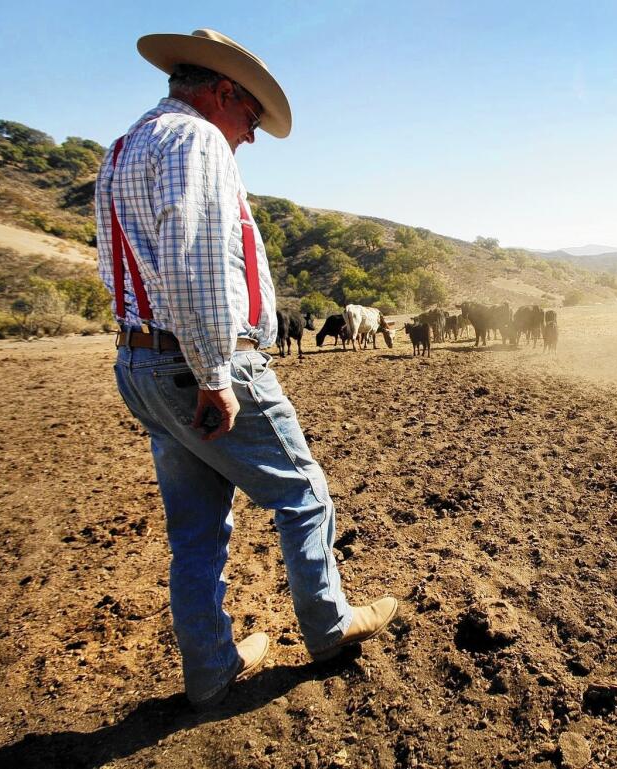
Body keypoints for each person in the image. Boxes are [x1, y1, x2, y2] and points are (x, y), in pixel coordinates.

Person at [96, 28, 397, 709]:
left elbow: (124, 267)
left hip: (141, 362)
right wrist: (213, 375)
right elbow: (198, 262)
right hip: (199, 361)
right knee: (304, 492)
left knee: (196, 529)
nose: (252, 136)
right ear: (222, 92)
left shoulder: (121, 149)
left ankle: (210, 666)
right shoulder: (198, 141)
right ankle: (329, 624)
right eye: (252, 118)